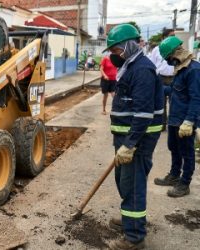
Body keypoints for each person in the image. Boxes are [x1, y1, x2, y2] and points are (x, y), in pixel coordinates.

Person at [104, 23, 164, 250]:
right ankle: (131, 218)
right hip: (125, 139)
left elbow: (143, 113)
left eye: (116, 51)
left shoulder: (142, 70)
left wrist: (129, 145)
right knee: (124, 181)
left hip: (137, 141)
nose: (113, 56)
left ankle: (135, 237)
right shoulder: (130, 66)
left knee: (133, 184)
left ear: (129, 46)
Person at [153, 36, 200, 197]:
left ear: (175, 54)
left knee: (187, 152)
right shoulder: (180, 69)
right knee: (174, 148)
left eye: (168, 58)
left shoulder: (193, 70)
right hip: (174, 118)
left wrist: (189, 121)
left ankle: (184, 183)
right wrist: (156, 89)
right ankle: (174, 175)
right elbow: (174, 91)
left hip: (185, 120)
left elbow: (196, 98)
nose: (168, 62)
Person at [147, 28, 176, 131]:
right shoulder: (156, 50)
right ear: (164, 37)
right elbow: (152, 65)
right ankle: (162, 125)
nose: (173, 37)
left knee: (174, 103)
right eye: (171, 36)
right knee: (161, 104)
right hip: (161, 79)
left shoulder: (177, 48)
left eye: (174, 36)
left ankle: (173, 125)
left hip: (174, 79)